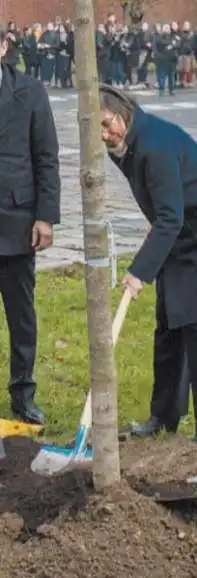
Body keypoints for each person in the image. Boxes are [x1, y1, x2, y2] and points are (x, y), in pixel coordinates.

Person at [98, 85, 197, 447]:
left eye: (106, 124)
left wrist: (139, 271)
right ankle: (164, 416)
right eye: (95, 129)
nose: (104, 134)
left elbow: (170, 217)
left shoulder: (154, 145)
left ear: (122, 110)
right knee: (169, 326)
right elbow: (166, 209)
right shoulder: (126, 142)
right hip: (180, 235)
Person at [0, 32, 60, 425]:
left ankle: (23, 394)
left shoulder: (30, 91)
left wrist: (46, 216)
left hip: (17, 223)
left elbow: (46, 156)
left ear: (3, 46)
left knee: (21, 317)